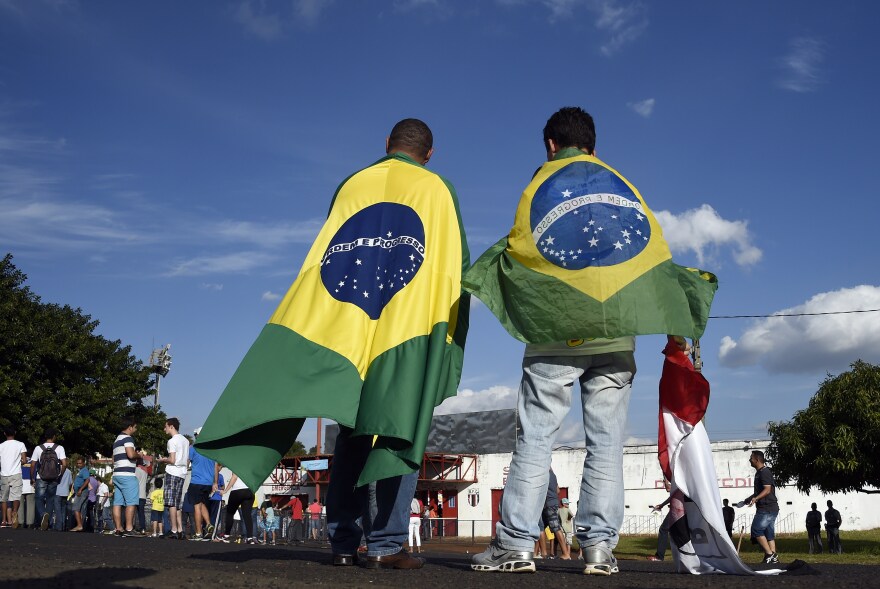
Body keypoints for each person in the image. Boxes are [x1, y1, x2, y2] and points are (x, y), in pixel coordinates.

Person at [472, 107, 637, 576]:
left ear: (550, 145)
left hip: (557, 326)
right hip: (615, 324)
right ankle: (600, 549)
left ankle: (517, 545)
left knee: (537, 435)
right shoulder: (620, 185)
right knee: (606, 440)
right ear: (594, 145)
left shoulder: (541, 183)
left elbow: (522, 250)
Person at [739, 450, 779, 564]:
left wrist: (756, 499)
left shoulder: (765, 472)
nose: (749, 460)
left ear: (757, 460)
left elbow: (767, 489)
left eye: (751, 458)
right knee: (768, 533)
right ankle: (773, 558)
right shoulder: (759, 473)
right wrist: (746, 501)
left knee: (756, 530)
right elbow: (759, 492)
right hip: (766, 508)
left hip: (767, 508)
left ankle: (770, 554)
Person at [157, 417, 189, 540]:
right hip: (182, 473)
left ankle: (174, 530)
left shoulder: (172, 441)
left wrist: (162, 459)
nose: (164, 429)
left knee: (171, 503)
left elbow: (172, 460)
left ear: (171, 426)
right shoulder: (186, 441)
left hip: (173, 471)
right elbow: (186, 460)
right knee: (177, 503)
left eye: (166, 426)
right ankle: (180, 530)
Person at [30, 427, 68, 531]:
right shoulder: (59, 448)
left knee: (38, 498)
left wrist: (32, 478)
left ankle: (43, 515)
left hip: (40, 477)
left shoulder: (38, 448)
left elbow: (33, 465)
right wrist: (60, 474)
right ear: (54, 436)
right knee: (51, 499)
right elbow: (64, 464)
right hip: (54, 477)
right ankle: (48, 522)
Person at [110, 416, 141, 536]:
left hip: (117, 474)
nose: (135, 429)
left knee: (117, 502)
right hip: (127, 474)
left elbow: (114, 459)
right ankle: (129, 528)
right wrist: (139, 456)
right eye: (135, 427)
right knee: (131, 502)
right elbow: (131, 454)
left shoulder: (117, 440)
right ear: (130, 427)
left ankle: (118, 528)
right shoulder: (128, 438)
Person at [186, 428, 217, 541]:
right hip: (208, 483)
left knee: (197, 507)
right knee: (202, 504)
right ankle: (208, 524)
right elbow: (215, 467)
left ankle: (198, 533)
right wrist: (215, 482)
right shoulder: (211, 449)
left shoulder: (193, 448)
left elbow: (187, 462)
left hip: (196, 482)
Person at [213, 463, 255, 544]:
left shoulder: (237, 464)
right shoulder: (251, 466)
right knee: (247, 515)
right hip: (249, 491)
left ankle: (226, 535)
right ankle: (250, 538)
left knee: (230, 513)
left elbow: (234, 477)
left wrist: (225, 491)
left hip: (237, 490)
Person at [0, 425, 27, 528]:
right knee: (16, 496)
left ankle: (3, 521)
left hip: (4, 474)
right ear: (15, 433)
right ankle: (15, 512)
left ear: (4, 434)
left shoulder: (1, 446)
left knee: (4, 498)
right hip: (16, 473)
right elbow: (24, 461)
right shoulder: (20, 444)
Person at [69, 457, 91, 532]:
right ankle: (81, 525)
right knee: (81, 510)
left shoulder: (84, 470)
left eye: (80, 463)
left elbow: (87, 480)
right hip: (79, 491)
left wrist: (80, 489)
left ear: (84, 463)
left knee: (75, 508)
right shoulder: (81, 470)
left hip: (81, 491)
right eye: (77, 463)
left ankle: (79, 525)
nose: (78, 464)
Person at [53, 465, 72, 530]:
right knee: (63, 509)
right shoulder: (69, 471)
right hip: (65, 492)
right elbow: (70, 483)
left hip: (57, 492)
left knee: (57, 510)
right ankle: (63, 526)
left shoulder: (56, 470)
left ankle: (59, 526)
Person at [135, 457, 149, 533]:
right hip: (143, 495)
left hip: (136, 495)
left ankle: (131, 527)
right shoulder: (145, 473)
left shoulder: (136, 471)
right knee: (141, 513)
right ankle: (142, 528)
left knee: (132, 512)